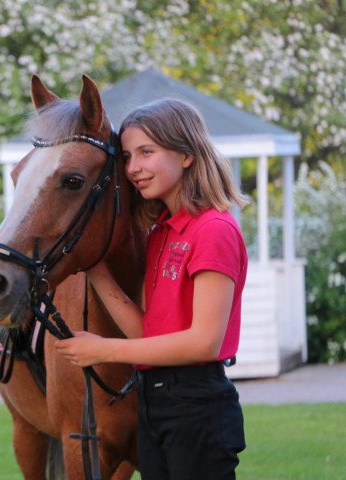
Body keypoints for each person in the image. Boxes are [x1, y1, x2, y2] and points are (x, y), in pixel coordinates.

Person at [54, 98, 249, 480]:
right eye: (127, 156)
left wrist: (104, 349)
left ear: (186, 154)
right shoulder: (159, 233)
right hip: (154, 401)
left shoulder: (213, 230)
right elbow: (149, 334)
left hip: (197, 405)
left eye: (147, 152)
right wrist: (96, 270)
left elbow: (203, 343)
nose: (133, 168)